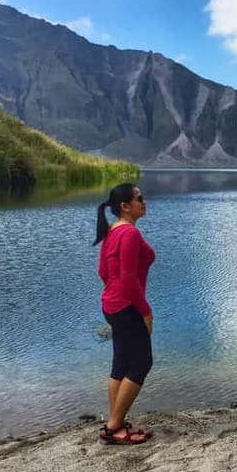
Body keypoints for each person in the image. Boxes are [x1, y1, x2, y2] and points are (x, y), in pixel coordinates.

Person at [93, 182, 155, 444]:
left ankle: (115, 423)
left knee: (121, 363)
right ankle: (114, 426)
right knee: (141, 362)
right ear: (125, 206)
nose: (145, 202)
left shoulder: (112, 232)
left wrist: (114, 292)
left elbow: (104, 273)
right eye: (140, 198)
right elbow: (128, 278)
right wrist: (146, 312)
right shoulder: (128, 234)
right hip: (127, 306)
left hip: (112, 305)